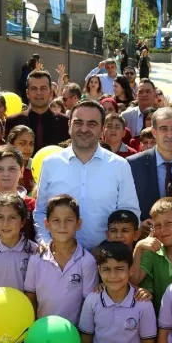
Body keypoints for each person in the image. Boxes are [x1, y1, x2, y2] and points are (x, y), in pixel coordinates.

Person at [34, 101, 139, 250]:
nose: (84, 129)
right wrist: (45, 242)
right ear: (69, 125)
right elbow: (41, 212)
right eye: (78, 122)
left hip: (105, 263)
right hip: (59, 259)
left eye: (91, 124)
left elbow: (130, 214)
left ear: (102, 129)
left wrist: (113, 252)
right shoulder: (51, 163)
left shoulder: (119, 166)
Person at [25, 195, 97, 324]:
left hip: (73, 336)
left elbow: (89, 305)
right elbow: (30, 296)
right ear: (47, 224)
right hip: (42, 334)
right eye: (56, 220)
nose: (62, 225)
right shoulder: (36, 259)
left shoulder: (87, 261)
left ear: (78, 224)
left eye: (68, 220)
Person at [131, 198, 172, 314]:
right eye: (157, 225)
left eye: (168, 224)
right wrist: (138, 247)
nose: (163, 230)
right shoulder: (152, 252)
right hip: (160, 324)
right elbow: (134, 280)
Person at [0, 193, 38, 297]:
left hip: (24, 312)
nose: (5, 223)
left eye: (12, 217)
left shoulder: (34, 251)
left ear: (22, 222)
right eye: (0, 217)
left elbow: (34, 293)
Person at [0, 145, 37, 243]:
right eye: (0, 169)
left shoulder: (33, 205)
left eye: (12, 169)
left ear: (21, 171)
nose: (6, 174)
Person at [6, 70, 71, 150]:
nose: (39, 92)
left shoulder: (65, 123)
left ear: (51, 92)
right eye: (34, 88)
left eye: (43, 88)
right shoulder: (13, 122)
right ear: (27, 93)